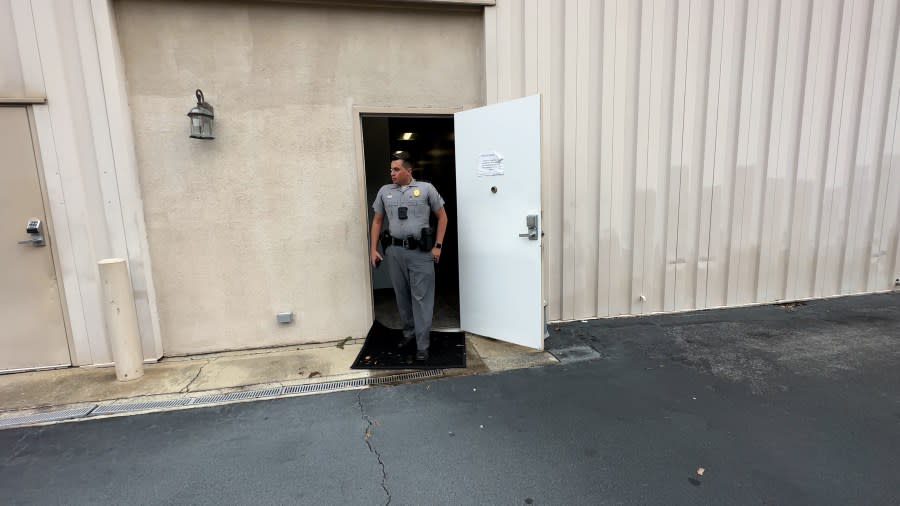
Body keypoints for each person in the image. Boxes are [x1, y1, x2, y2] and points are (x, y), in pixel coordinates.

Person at [370, 152, 448, 361]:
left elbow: (442, 217)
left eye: (396, 169)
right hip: (395, 252)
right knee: (402, 297)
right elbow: (377, 221)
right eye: (391, 170)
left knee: (421, 299)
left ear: (408, 170)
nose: (392, 173)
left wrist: (438, 246)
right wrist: (373, 248)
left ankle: (423, 344)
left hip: (421, 253)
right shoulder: (385, 191)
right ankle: (409, 333)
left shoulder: (425, 189)